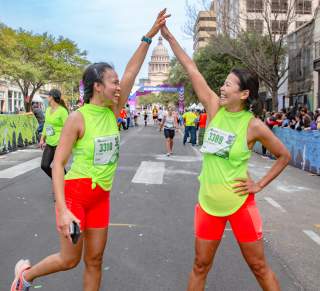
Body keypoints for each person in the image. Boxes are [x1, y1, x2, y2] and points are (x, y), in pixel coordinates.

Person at [10, 9, 170, 291]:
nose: (119, 85)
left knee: (95, 260)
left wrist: (149, 35)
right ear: (98, 86)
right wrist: (62, 210)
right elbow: (58, 164)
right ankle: (25, 276)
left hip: (101, 197)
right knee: (69, 260)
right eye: (114, 82)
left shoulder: (114, 110)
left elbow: (132, 71)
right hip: (76, 197)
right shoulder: (77, 118)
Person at [161, 23, 291, 291]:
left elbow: (283, 155)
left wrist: (259, 184)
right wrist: (169, 36)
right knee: (200, 265)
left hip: (240, 205)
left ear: (243, 94)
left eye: (228, 84)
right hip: (208, 204)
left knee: (258, 267)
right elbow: (192, 69)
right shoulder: (213, 107)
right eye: (223, 83)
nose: (222, 87)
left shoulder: (253, 125)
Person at [39, 89, 69, 178]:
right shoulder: (48, 110)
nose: (47, 97)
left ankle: (65, 184)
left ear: (52, 97)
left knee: (58, 166)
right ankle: (58, 181)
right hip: (49, 142)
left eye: (48, 96)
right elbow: (46, 124)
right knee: (44, 165)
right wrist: (42, 138)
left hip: (59, 143)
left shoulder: (62, 111)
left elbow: (68, 127)